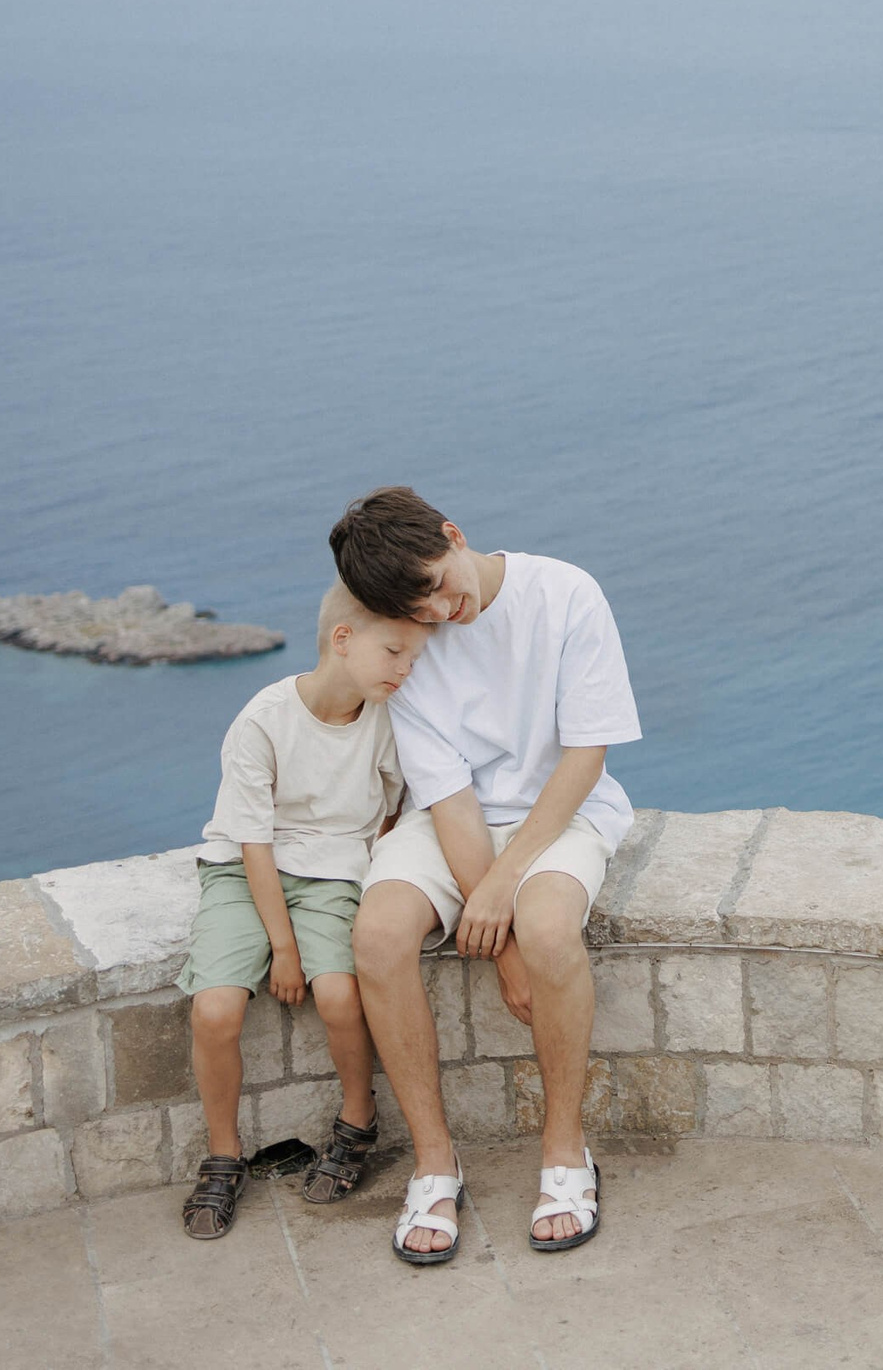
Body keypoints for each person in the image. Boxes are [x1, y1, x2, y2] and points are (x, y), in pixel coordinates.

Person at [334, 486, 640, 1265]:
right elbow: (450, 800)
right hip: (451, 825)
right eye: (417, 607)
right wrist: (497, 946)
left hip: (562, 809)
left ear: (454, 533)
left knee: (546, 927)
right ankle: (436, 1163)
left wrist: (505, 889)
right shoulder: (413, 640)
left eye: (438, 583)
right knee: (376, 935)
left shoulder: (565, 592)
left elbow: (585, 756)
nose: (439, 611)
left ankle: (566, 1150)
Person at [175, 585, 423, 1239]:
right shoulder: (263, 719)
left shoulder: (387, 717)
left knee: (341, 996)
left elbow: (395, 804)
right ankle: (224, 1155)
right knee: (215, 1008)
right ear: (342, 639)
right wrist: (283, 949)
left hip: (334, 872)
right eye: (394, 651)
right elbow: (253, 843)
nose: (405, 669)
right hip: (244, 867)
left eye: (413, 656)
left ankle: (358, 1119)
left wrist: (376, 867)